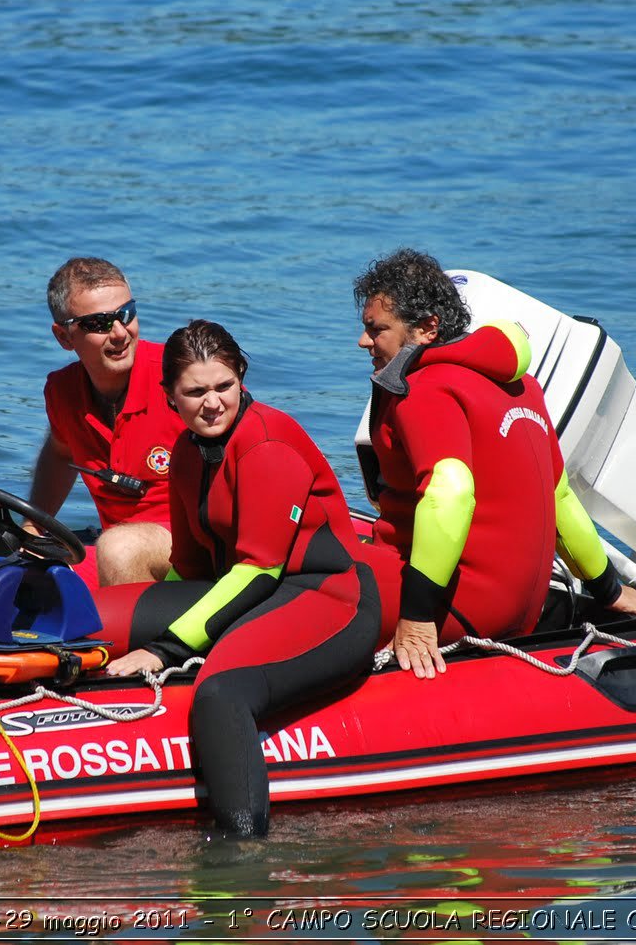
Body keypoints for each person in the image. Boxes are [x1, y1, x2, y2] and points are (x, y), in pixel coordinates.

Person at [102, 320, 380, 837]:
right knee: (95, 620)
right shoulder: (187, 454)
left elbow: (259, 570)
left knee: (221, 694)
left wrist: (164, 650)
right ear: (170, 397)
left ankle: (242, 859)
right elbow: (191, 568)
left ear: (242, 378)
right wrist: (128, 630)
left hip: (324, 596)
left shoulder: (267, 442)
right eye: (195, 391)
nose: (212, 402)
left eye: (223, 386)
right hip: (247, 591)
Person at [353, 249, 636, 680]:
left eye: (375, 330)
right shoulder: (523, 385)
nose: (363, 342)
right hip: (522, 608)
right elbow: (559, 499)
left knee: (302, 573)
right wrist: (609, 589)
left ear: (426, 328)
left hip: (459, 606)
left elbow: (449, 493)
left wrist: (416, 617)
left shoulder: (424, 388)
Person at [29, 257, 184, 586]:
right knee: (14, 564)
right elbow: (60, 452)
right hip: (115, 552)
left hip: (191, 553)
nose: (120, 333)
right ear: (64, 337)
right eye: (99, 323)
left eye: (126, 314)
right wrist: (33, 525)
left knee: (118, 548)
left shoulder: (185, 378)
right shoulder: (61, 391)